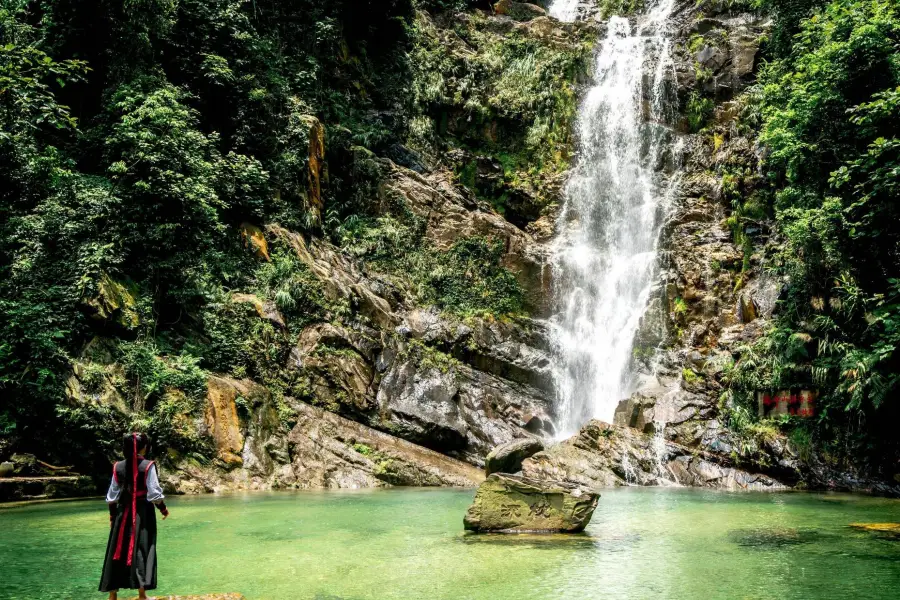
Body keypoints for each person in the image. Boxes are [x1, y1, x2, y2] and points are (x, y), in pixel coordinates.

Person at [99, 432, 170, 600]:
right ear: (144, 448)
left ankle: (112, 595)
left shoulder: (118, 466)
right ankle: (142, 595)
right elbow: (154, 494)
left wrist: (112, 516)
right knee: (142, 547)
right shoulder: (147, 466)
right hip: (142, 513)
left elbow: (112, 495)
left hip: (122, 514)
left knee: (117, 549)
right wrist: (163, 509)